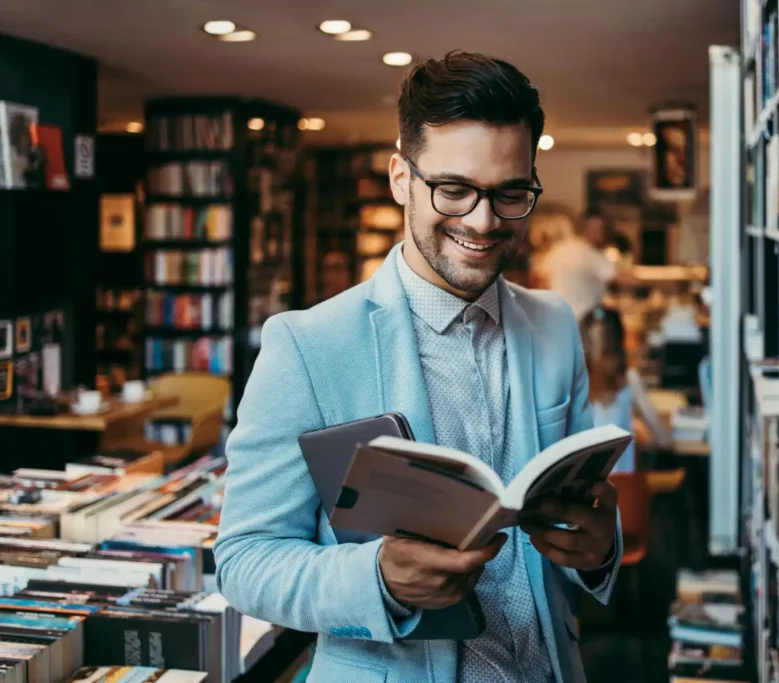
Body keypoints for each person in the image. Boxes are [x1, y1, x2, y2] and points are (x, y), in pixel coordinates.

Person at [214, 50, 622, 683]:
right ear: (401, 178)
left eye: (511, 193)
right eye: (454, 190)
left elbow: (570, 517)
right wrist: (376, 578)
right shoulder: (305, 345)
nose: (483, 222)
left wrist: (596, 551)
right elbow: (244, 561)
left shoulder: (556, 326)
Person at [579, 307, 635, 474]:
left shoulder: (576, 387)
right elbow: (662, 438)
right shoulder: (629, 382)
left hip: (584, 492)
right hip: (624, 493)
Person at [536, 209, 617, 319]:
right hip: (584, 320)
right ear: (585, 229)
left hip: (559, 316)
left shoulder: (560, 248)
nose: (600, 234)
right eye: (596, 229)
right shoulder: (591, 254)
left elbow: (541, 277)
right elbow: (616, 276)